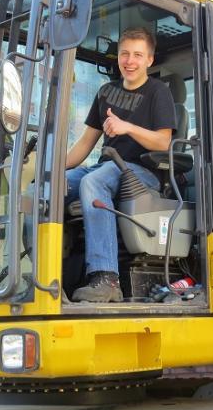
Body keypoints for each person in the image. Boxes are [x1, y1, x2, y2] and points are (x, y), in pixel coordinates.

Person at [66, 27, 176, 302]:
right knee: (46, 188)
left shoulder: (158, 92)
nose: (130, 61)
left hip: (142, 172)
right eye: (125, 54)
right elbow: (85, 144)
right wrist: (48, 170)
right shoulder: (106, 92)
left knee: (94, 181)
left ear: (149, 59)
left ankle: (107, 279)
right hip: (106, 167)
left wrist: (127, 127)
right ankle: (43, 273)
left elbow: (164, 142)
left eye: (138, 55)